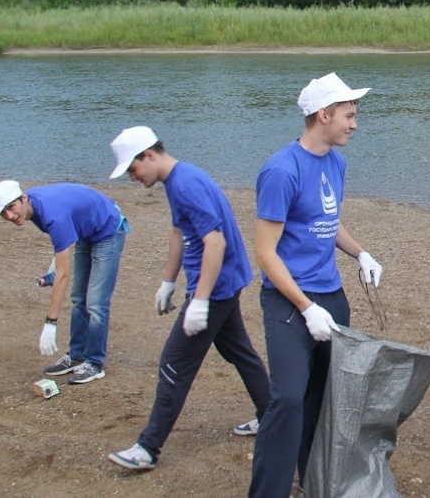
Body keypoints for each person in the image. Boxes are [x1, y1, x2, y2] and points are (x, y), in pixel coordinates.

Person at [249, 72, 385, 498]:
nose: (354, 124)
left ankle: (314, 482)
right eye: (349, 115)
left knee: (323, 399)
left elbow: (325, 222)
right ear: (323, 115)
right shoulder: (280, 170)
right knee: (288, 398)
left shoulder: (336, 162)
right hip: (290, 302)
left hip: (332, 297)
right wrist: (306, 308)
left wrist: (360, 252)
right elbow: (266, 253)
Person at [104, 126, 270, 472]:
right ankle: (271, 416)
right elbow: (180, 232)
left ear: (149, 155)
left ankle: (148, 449)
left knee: (173, 364)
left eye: (132, 170)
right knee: (240, 352)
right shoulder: (178, 179)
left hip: (217, 286)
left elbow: (216, 242)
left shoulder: (185, 183)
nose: (132, 178)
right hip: (220, 284)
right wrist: (168, 281)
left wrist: (200, 301)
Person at [0, 179, 128, 385]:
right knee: (79, 298)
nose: (9, 216)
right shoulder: (33, 207)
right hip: (85, 232)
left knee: (95, 302)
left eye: (11, 208)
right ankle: (77, 355)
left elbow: (64, 274)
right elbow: (63, 241)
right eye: (2, 213)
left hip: (108, 230)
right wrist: (52, 273)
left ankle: (94, 363)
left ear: (23, 198)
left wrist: (50, 323)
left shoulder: (51, 215)